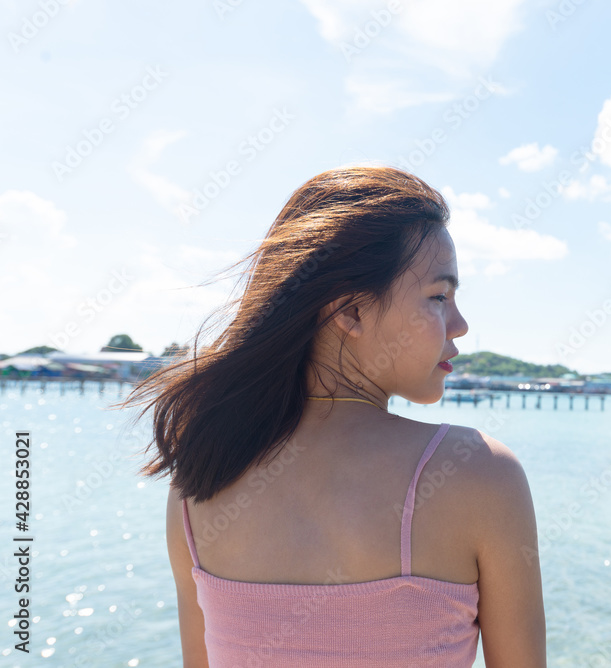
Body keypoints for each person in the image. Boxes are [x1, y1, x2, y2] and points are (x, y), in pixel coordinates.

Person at [115, 166, 546, 666]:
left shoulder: (201, 479)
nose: (461, 324)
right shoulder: (478, 473)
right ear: (351, 312)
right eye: (438, 297)